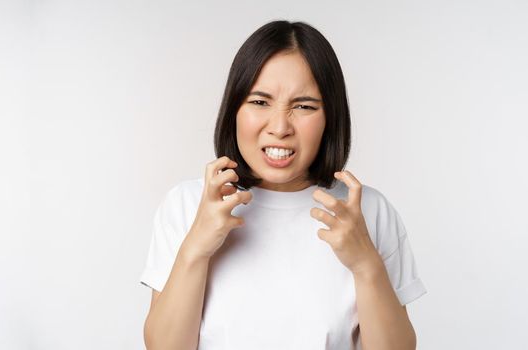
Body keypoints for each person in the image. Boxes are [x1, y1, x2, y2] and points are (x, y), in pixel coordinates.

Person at [139, 20, 427, 350]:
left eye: (303, 106)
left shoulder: (366, 211)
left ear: (329, 117)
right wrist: (196, 248)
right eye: (260, 102)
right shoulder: (188, 204)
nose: (279, 127)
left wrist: (366, 265)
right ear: (235, 109)